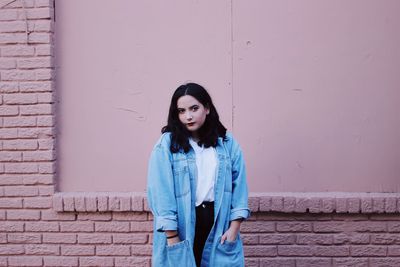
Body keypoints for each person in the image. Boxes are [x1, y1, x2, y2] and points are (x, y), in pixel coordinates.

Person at [147, 82, 250, 267]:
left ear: (207, 108)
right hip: (182, 225)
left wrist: (234, 228)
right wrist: (172, 236)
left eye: (194, 108)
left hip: (218, 224)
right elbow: (160, 191)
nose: (188, 116)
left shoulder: (227, 143)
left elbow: (239, 185)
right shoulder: (167, 145)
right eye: (181, 111)